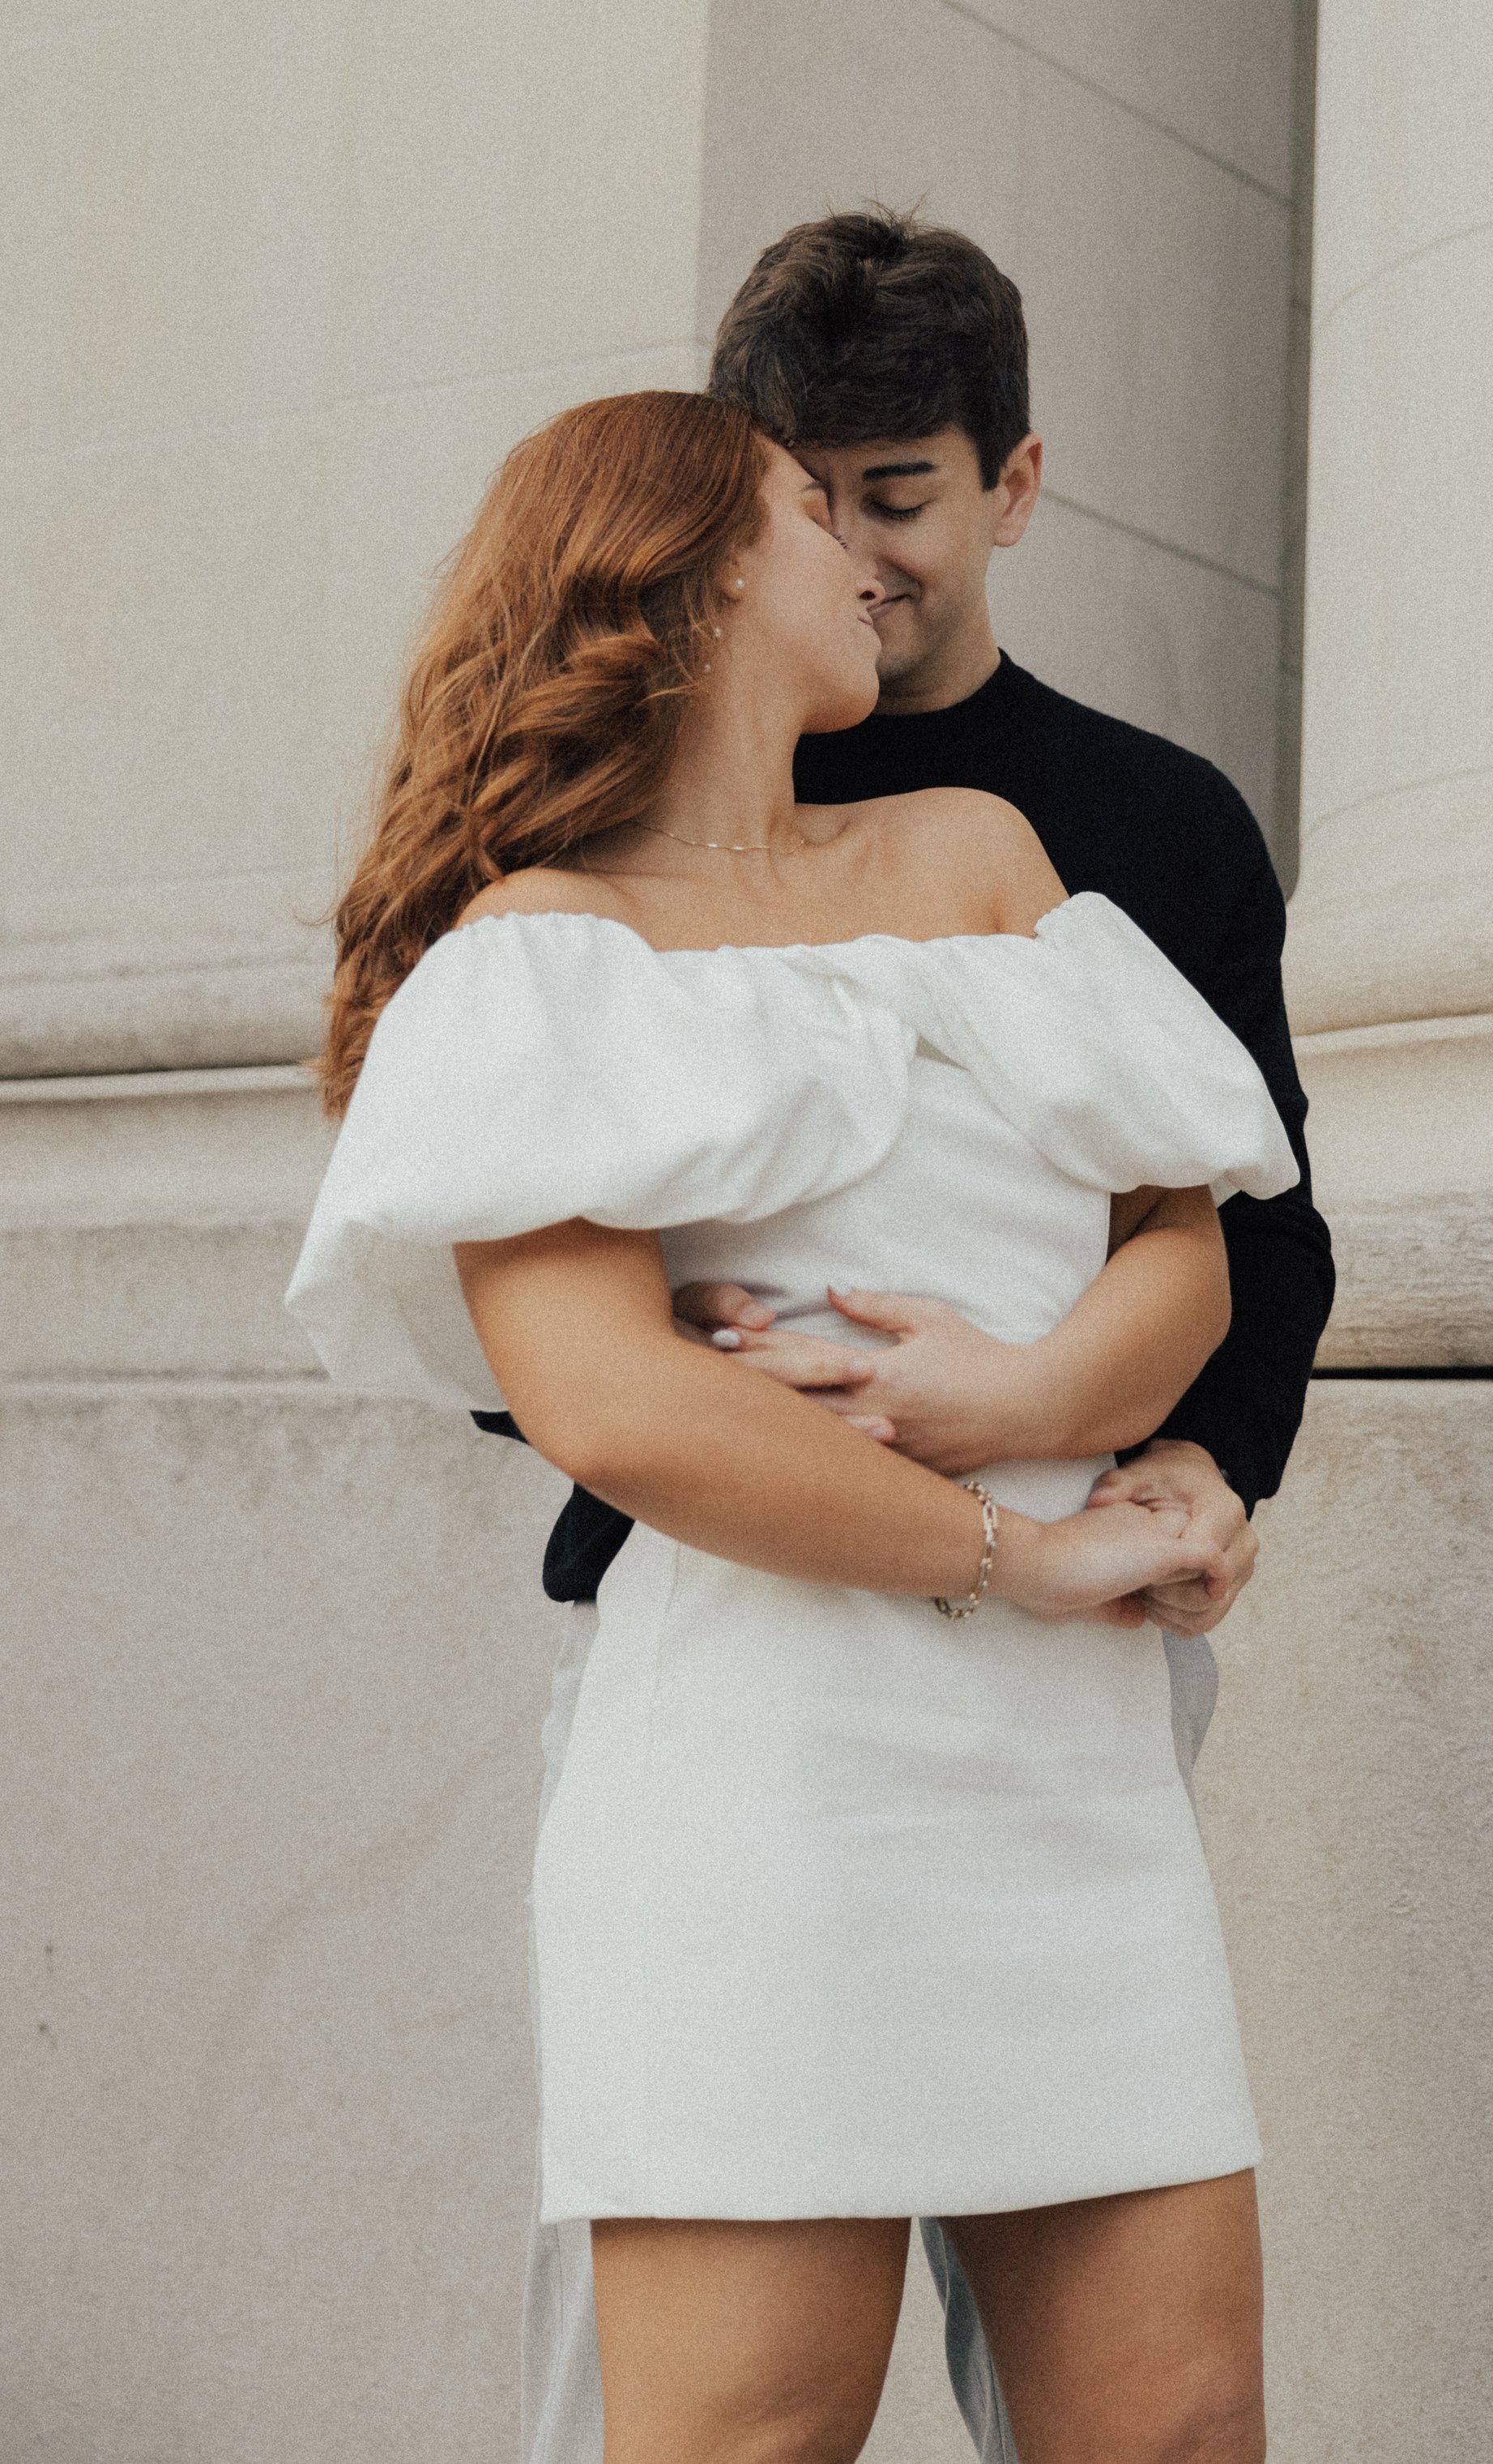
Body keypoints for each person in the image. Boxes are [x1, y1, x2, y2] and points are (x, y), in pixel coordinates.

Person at [287, 391, 1301, 2464]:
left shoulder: (975, 852)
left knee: (1179, 2429)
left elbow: (1179, 1245)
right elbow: (610, 1402)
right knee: (737, 2443)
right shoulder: (539, 953)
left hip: (1067, 1773)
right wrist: (1021, 1547)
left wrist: (1018, 1406)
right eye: (797, 506)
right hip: (762, 1779)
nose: (856, 547)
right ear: (695, 565)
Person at [518, 214, 1338, 2463]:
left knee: (1096, 2367)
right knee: (669, 2371)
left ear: (1014, 483)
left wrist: (1169, 1462)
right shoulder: (584, 873)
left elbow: (1249, 1230)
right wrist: (758, 1376)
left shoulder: (1132, 820)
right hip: (723, 1645)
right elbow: (555, 1353)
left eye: (896, 493)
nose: (853, 549)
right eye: (801, 493)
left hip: (1074, 1644)